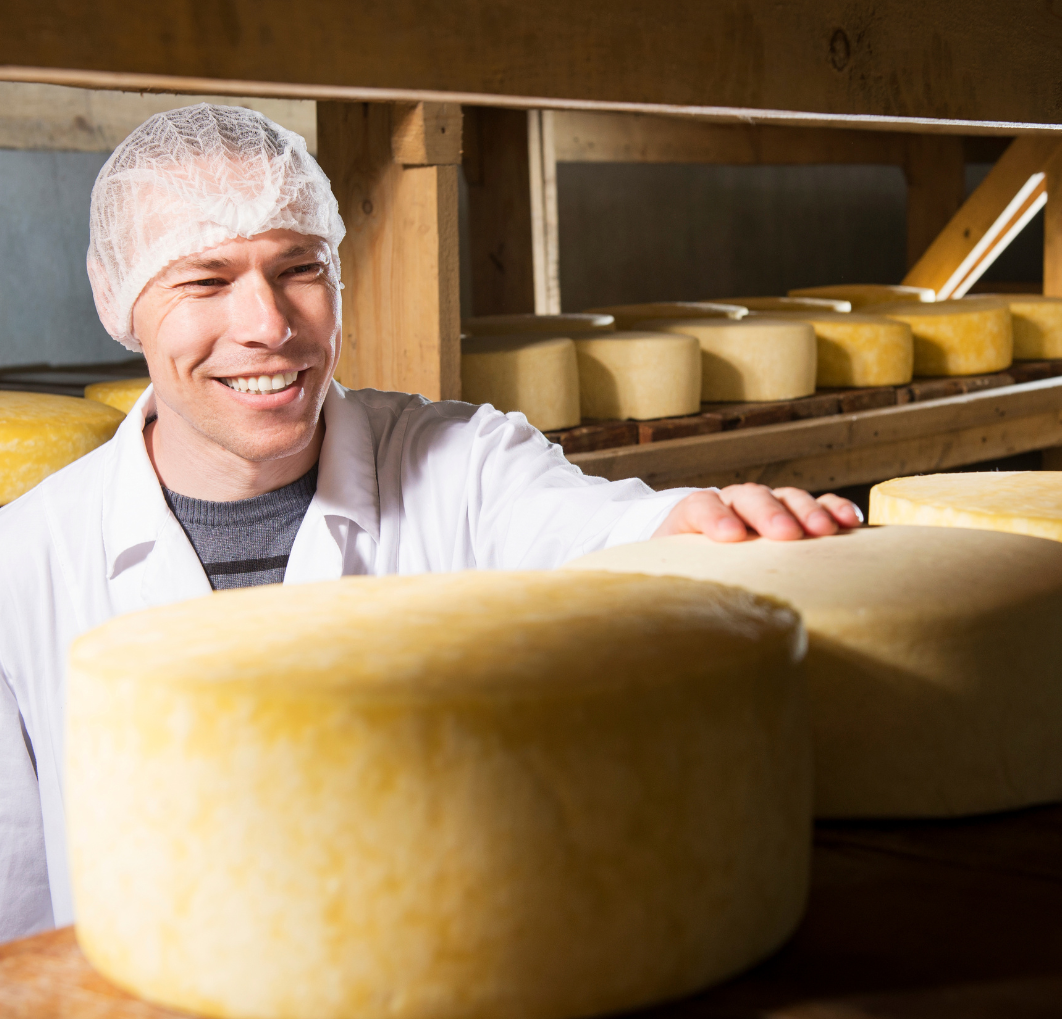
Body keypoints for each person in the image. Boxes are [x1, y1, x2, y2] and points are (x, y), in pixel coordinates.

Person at [0, 105, 859, 944]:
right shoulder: (23, 568)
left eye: (299, 267)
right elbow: (18, 912)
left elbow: (604, 535)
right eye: (206, 280)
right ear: (121, 300)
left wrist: (699, 524)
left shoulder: (464, 465)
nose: (267, 325)